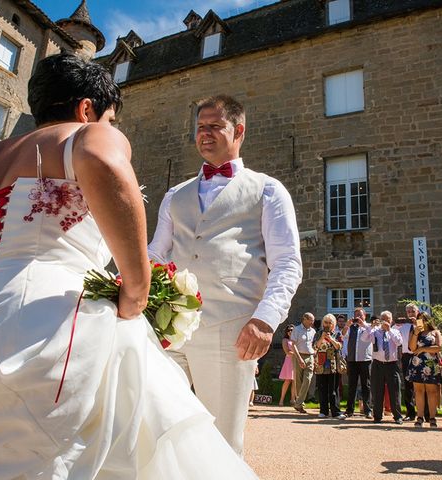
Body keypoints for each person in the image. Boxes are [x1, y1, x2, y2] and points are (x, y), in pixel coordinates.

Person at [0, 54, 258, 479]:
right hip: (47, 323)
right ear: (87, 108)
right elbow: (103, 162)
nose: (110, 129)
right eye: (111, 119)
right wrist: (136, 287)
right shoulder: (87, 135)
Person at [148, 93, 302, 454]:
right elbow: (157, 253)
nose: (205, 134)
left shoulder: (268, 190)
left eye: (215, 126)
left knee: (221, 445)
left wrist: (265, 320)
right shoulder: (174, 194)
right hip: (169, 330)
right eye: (200, 127)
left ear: (239, 131)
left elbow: (287, 262)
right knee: (154, 429)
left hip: (231, 331)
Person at [361, 310, 403, 424]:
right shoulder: (375, 331)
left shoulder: (395, 331)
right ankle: (378, 416)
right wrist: (370, 327)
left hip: (391, 364)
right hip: (378, 364)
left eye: (388, 319)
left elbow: (399, 342)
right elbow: (364, 338)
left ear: (391, 320)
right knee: (377, 390)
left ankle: (398, 416)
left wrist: (389, 330)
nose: (386, 321)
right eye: (383, 319)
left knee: (394, 391)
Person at [406, 311, 442, 428]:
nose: (422, 321)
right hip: (417, 363)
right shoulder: (414, 332)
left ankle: (432, 417)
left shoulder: (435, 332)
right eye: (419, 319)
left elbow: (439, 347)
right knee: (419, 391)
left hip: (430, 364)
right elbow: (412, 348)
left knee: (432, 391)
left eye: (424, 319)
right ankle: (420, 417)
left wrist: (423, 349)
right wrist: (416, 333)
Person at [342, 307, 373, 419]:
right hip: (352, 359)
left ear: (365, 316)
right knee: (352, 385)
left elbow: (372, 333)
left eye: (360, 315)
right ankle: (349, 410)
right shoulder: (351, 327)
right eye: (356, 315)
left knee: (366, 385)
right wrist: (347, 325)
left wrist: (363, 325)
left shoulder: (369, 326)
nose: (358, 317)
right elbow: (343, 335)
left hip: (365, 359)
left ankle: (367, 410)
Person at [313, 314, 346, 419]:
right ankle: (323, 411)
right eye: (326, 322)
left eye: (330, 323)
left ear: (333, 324)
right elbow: (314, 347)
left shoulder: (337, 334)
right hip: (321, 364)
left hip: (333, 364)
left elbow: (339, 346)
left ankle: (335, 411)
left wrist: (330, 338)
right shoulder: (318, 333)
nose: (327, 325)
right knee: (322, 388)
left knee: (333, 389)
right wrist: (322, 337)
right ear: (323, 323)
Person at [393, 304, 417, 421]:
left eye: (413, 311)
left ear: (417, 312)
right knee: (408, 385)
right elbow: (392, 332)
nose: (411, 313)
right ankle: (410, 412)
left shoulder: (421, 323)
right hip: (407, 356)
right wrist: (396, 323)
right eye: (408, 312)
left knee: (423, 384)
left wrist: (417, 323)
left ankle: (427, 413)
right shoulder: (404, 326)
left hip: (419, 355)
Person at [290, 312, 316, 413]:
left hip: (310, 356)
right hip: (298, 356)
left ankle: (298, 402)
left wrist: (314, 352)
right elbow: (293, 344)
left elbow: (313, 344)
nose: (312, 323)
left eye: (313, 321)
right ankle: (300, 403)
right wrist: (299, 358)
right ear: (304, 319)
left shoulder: (313, 331)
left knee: (307, 379)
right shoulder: (297, 329)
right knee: (298, 381)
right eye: (310, 320)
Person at [278, 324, 296, 406]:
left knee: (295, 381)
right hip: (289, 361)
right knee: (287, 380)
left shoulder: (296, 339)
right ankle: (281, 399)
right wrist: (297, 354)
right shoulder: (285, 340)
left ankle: (293, 399)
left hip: (296, 361)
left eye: (292, 330)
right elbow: (287, 351)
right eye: (288, 330)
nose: (290, 331)